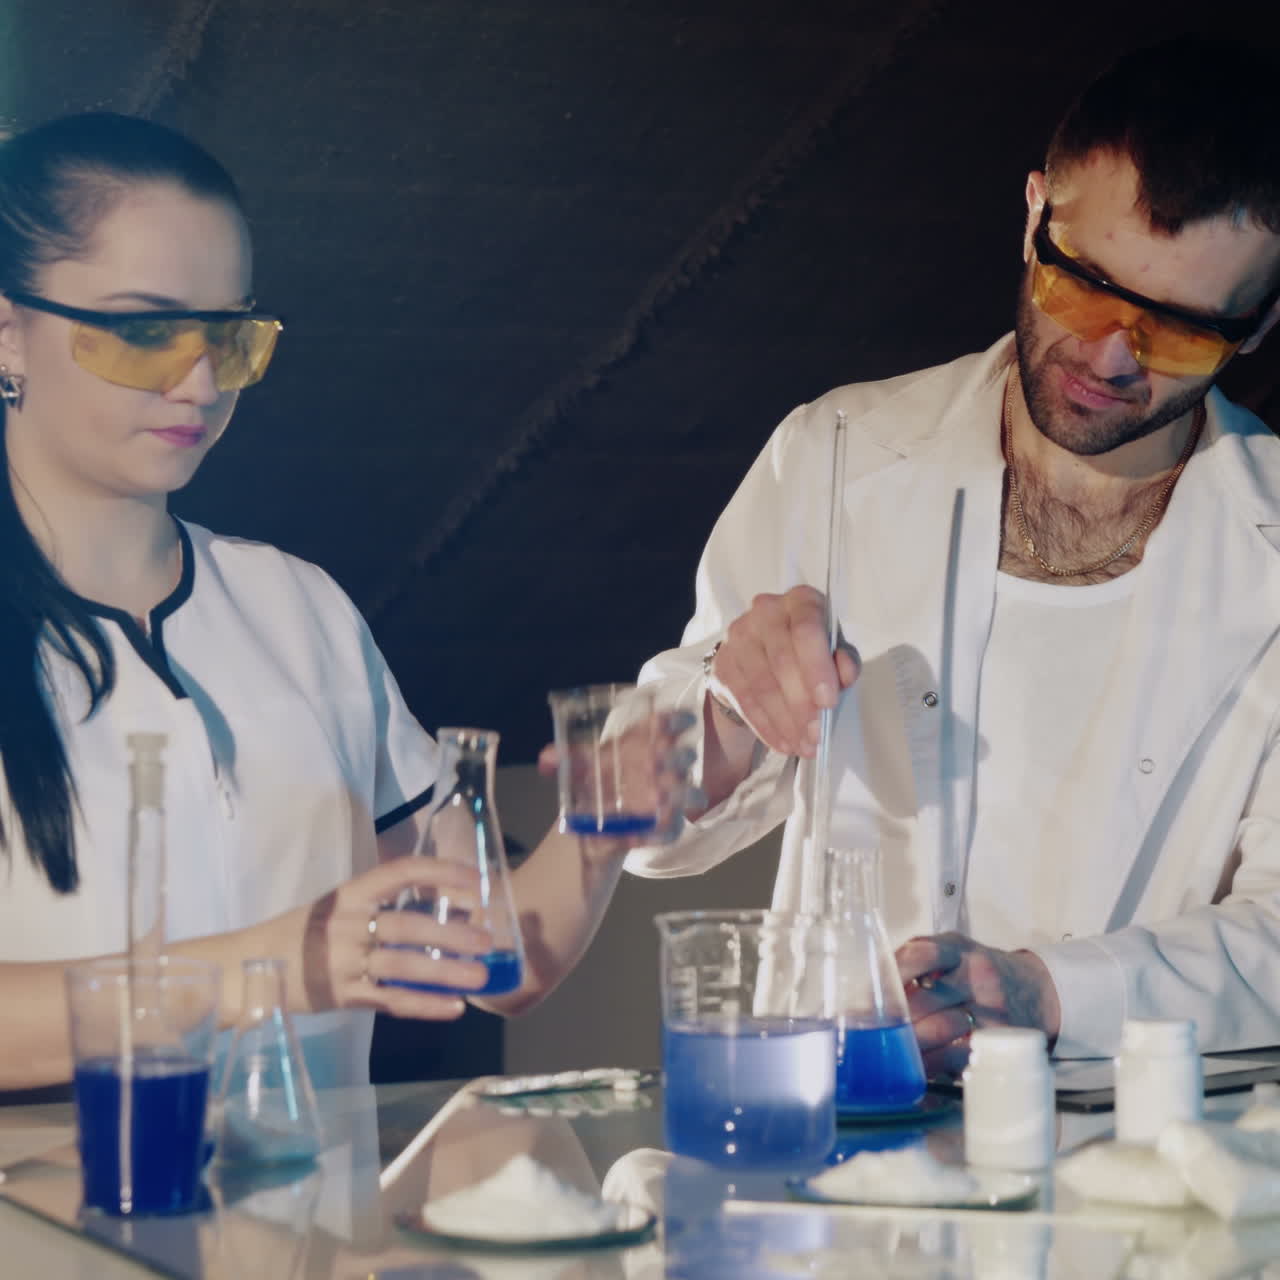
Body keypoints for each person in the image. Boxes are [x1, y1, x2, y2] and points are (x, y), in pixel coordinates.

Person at [627, 35, 1280, 1075]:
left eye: (1180, 332)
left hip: (1147, 1138)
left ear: (1256, 325)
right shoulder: (837, 453)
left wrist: (1047, 992)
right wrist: (726, 709)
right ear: (1033, 215)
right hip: (845, 1117)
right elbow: (643, 832)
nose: (1112, 356)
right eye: (1085, 287)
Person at [0, 111, 683, 1093]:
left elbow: (492, 954)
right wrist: (265, 969)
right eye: (145, 331)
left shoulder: (296, 608)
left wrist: (598, 829)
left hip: (308, 1193)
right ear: (9, 332)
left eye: (229, 336)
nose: (200, 381)